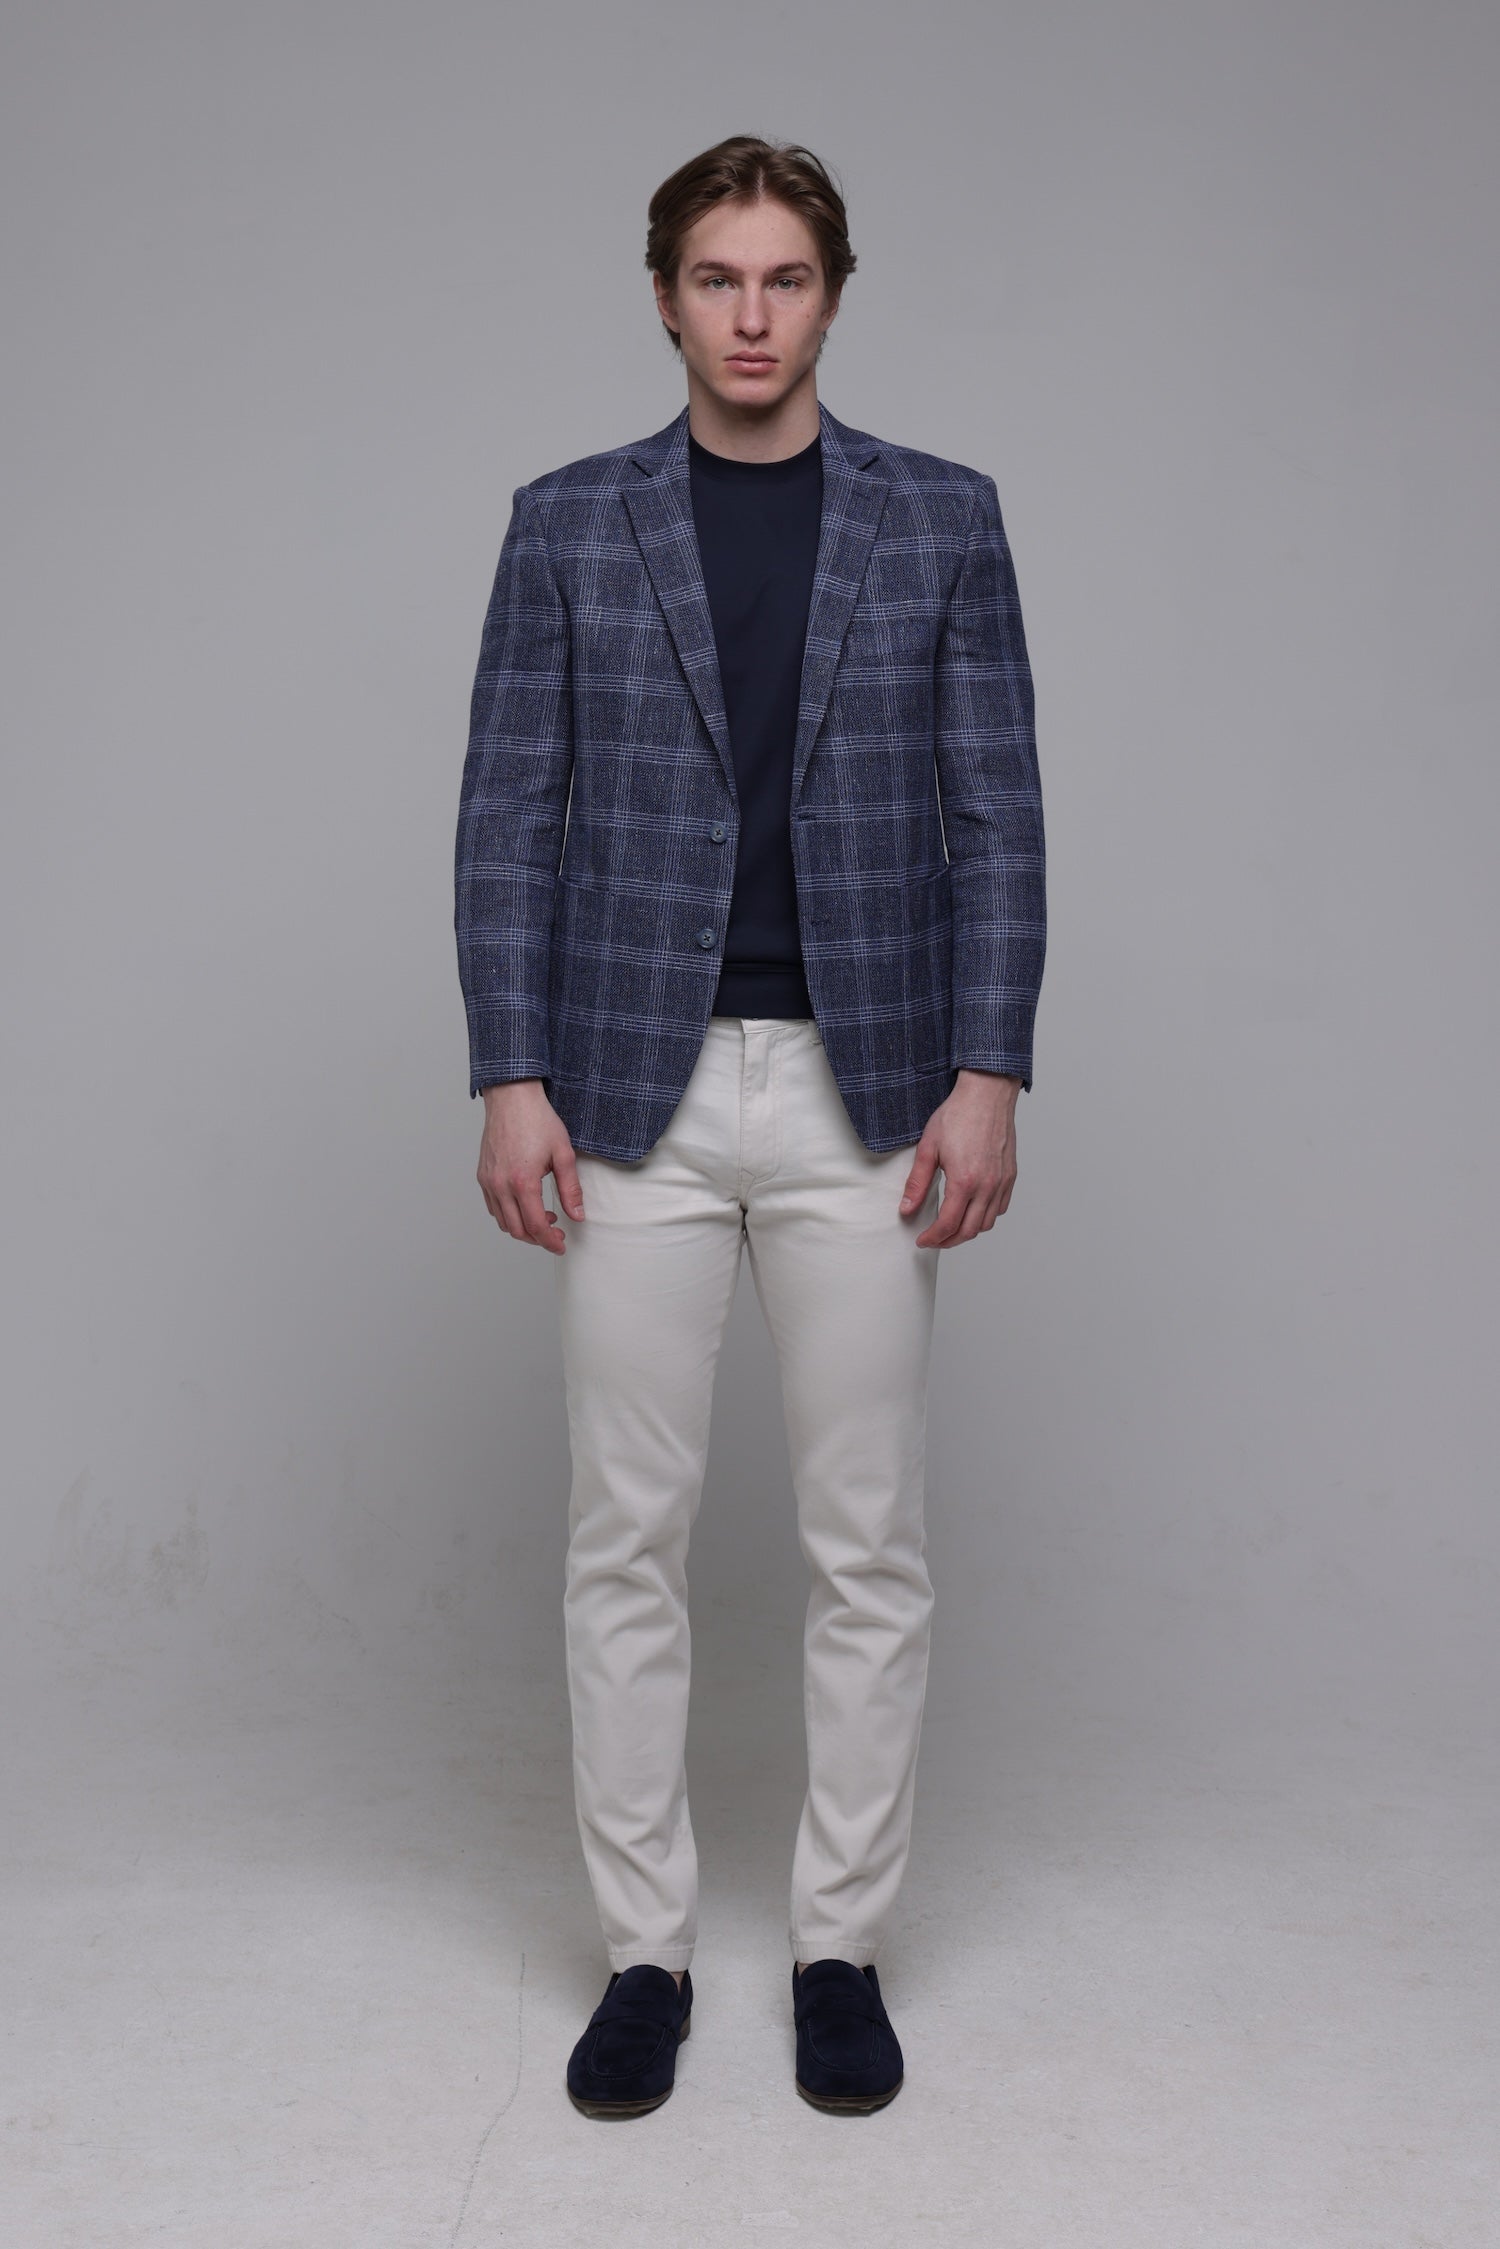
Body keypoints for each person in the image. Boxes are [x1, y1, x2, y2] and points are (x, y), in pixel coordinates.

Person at [453, 134, 1045, 2118]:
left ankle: (837, 1949)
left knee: (868, 1543)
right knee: (623, 1537)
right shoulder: (567, 523)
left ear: (833, 296)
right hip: (630, 1086)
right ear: (665, 298)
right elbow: (506, 818)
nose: (753, 314)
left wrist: (989, 1069)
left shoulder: (943, 519)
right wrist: (509, 1071)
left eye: (786, 277)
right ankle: (644, 1955)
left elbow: (998, 814)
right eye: (718, 277)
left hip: (872, 1094)